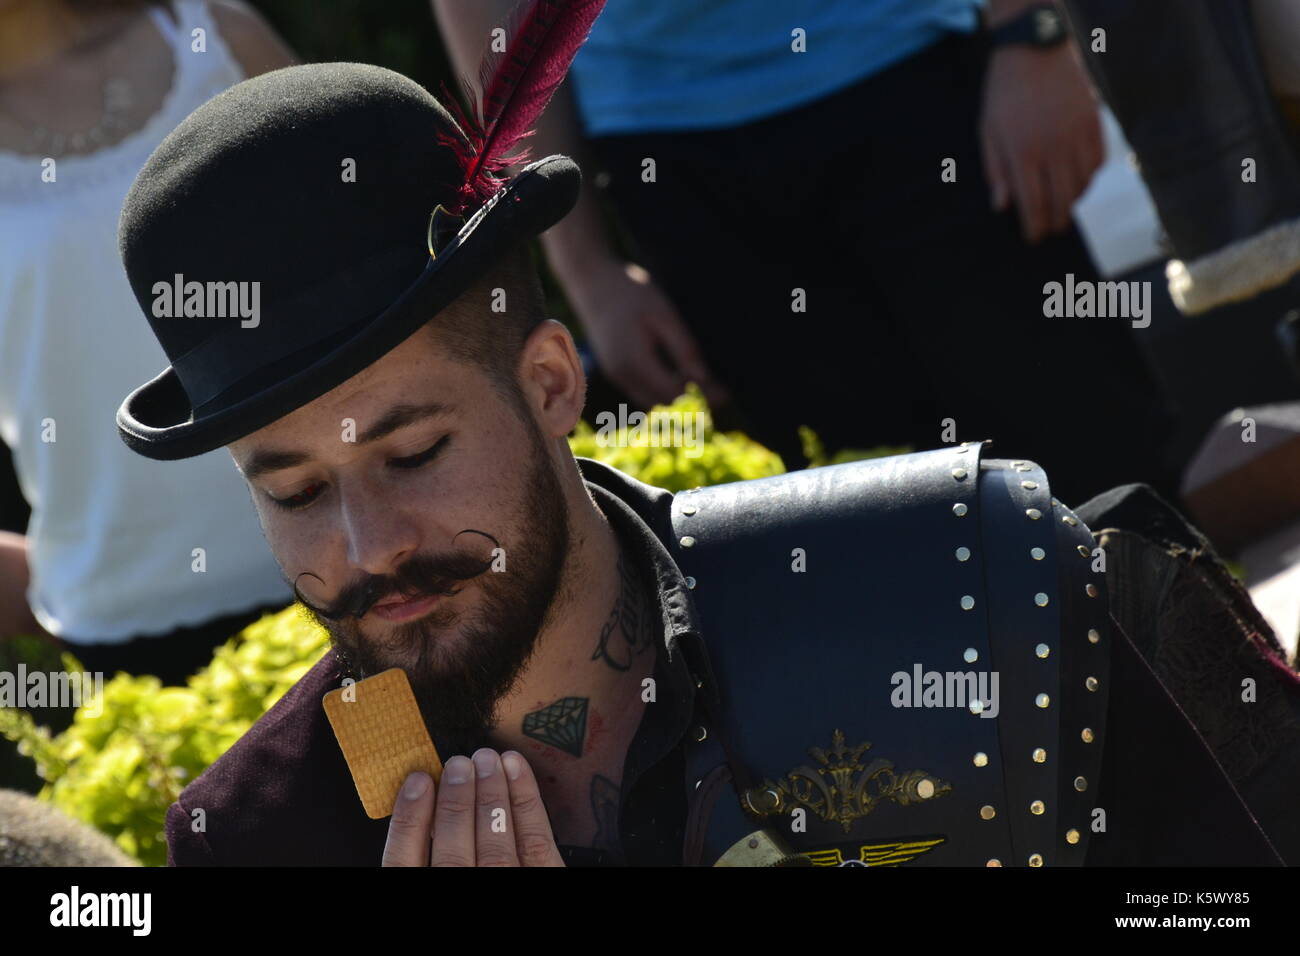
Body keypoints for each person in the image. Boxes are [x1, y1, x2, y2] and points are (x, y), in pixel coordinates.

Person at [113, 45, 1299, 865]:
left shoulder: (956, 591)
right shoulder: (266, 833)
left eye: (415, 451)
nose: (369, 548)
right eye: (299, 490)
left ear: (549, 383)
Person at [435, 0, 1177, 505]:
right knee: (874, 546)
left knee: (1097, 476)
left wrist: (1032, 31)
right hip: (670, 158)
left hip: (916, 75)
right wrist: (585, 270)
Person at [0, 0, 297, 684]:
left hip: (352, 562)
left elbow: (380, 264)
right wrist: (58, 578)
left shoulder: (215, 37)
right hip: (124, 642)